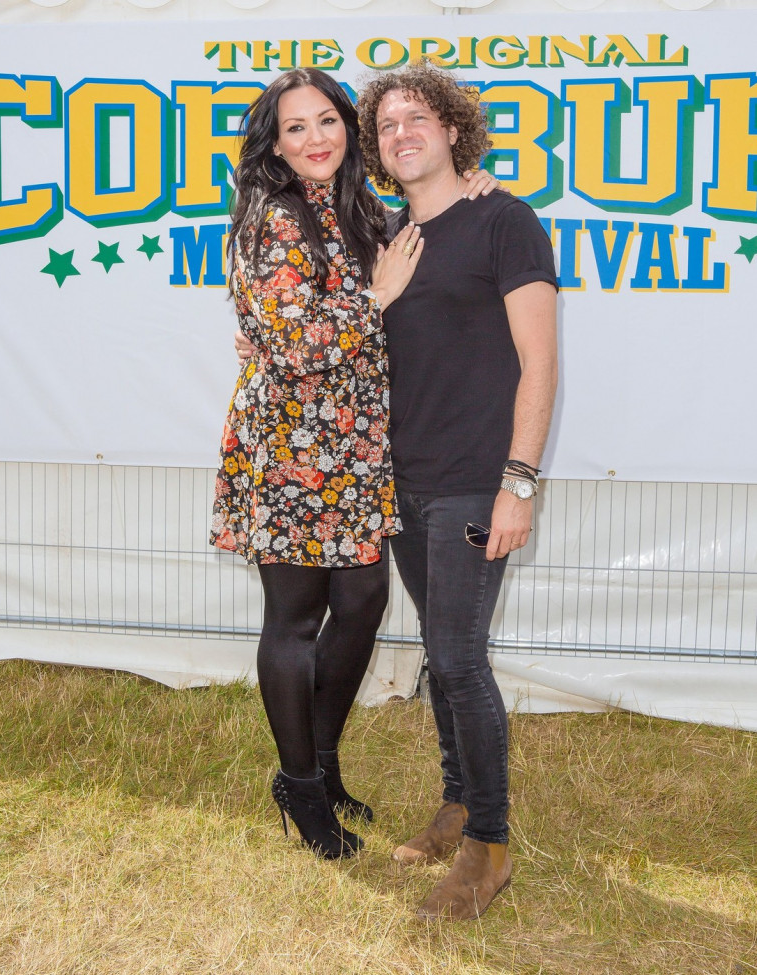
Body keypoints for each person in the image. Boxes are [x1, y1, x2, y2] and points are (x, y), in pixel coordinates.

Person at [210, 68, 497, 860]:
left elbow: (419, 245)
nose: (314, 140)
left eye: (327, 122)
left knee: (365, 599)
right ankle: (302, 789)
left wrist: (473, 181)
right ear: (273, 140)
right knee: (296, 618)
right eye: (295, 127)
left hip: (355, 444)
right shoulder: (274, 215)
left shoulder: (356, 206)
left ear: (350, 129)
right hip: (292, 446)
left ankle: (319, 762)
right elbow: (300, 341)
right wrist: (370, 302)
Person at [356, 60, 558, 919]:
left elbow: (541, 363)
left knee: (462, 658)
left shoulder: (504, 220)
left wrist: (519, 482)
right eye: (387, 126)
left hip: (478, 482)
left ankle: (489, 846)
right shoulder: (391, 239)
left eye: (417, 118)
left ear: (451, 130)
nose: (402, 133)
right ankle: (455, 802)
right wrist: (377, 297)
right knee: (442, 654)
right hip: (405, 483)